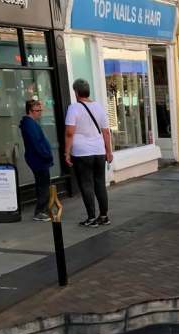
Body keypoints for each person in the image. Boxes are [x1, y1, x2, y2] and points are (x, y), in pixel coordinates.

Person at [64, 79, 113, 227]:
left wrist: (67, 152)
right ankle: (104, 216)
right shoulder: (98, 107)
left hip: (81, 152)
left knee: (86, 184)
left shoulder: (74, 108)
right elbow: (106, 132)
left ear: (76, 92)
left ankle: (91, 218)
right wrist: (108, 151)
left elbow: (69, 133)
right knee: (100, 183)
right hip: (98, 151)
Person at [19, 98, 53, 221]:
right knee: (43, 185)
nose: (40, 113)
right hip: (38, 159)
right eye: (37, 110)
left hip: (38, 158)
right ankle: (40, 212)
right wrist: (46, 155)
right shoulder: (29, 124)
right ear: (30, 110)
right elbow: (36, 143)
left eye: (40, 110)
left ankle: (43, 210)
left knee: (43, 184)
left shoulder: (31, 123)